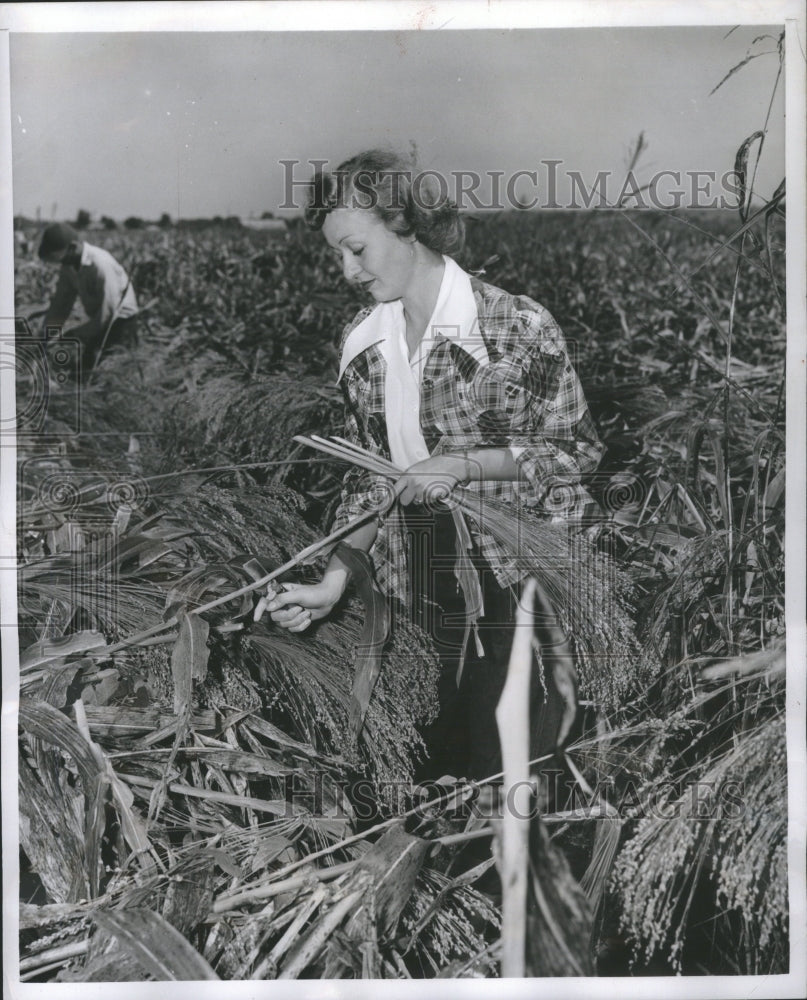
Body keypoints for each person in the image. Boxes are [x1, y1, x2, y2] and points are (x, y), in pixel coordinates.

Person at [265, 149, 604, 784]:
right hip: (421, 571)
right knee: (439, 764)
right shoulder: (363, 346)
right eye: (336, 254)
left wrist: (463, 465)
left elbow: (574, 453)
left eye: (356, 249)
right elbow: (368, 478)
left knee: (519, 767)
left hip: (524, 574)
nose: (346, 269)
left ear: (405, 223)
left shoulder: (514, 326)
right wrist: (334, 580)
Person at [37, 223, 139, 370]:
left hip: (121, 324)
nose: (61, 262)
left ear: (73, 247)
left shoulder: (100, 265)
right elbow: (61, 303)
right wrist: (46, 335)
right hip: (99, 322)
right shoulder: (69, 265)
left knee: (109, 373)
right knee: (84, 369)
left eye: (60, 257)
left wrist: (76, 335)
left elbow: (108, 313)